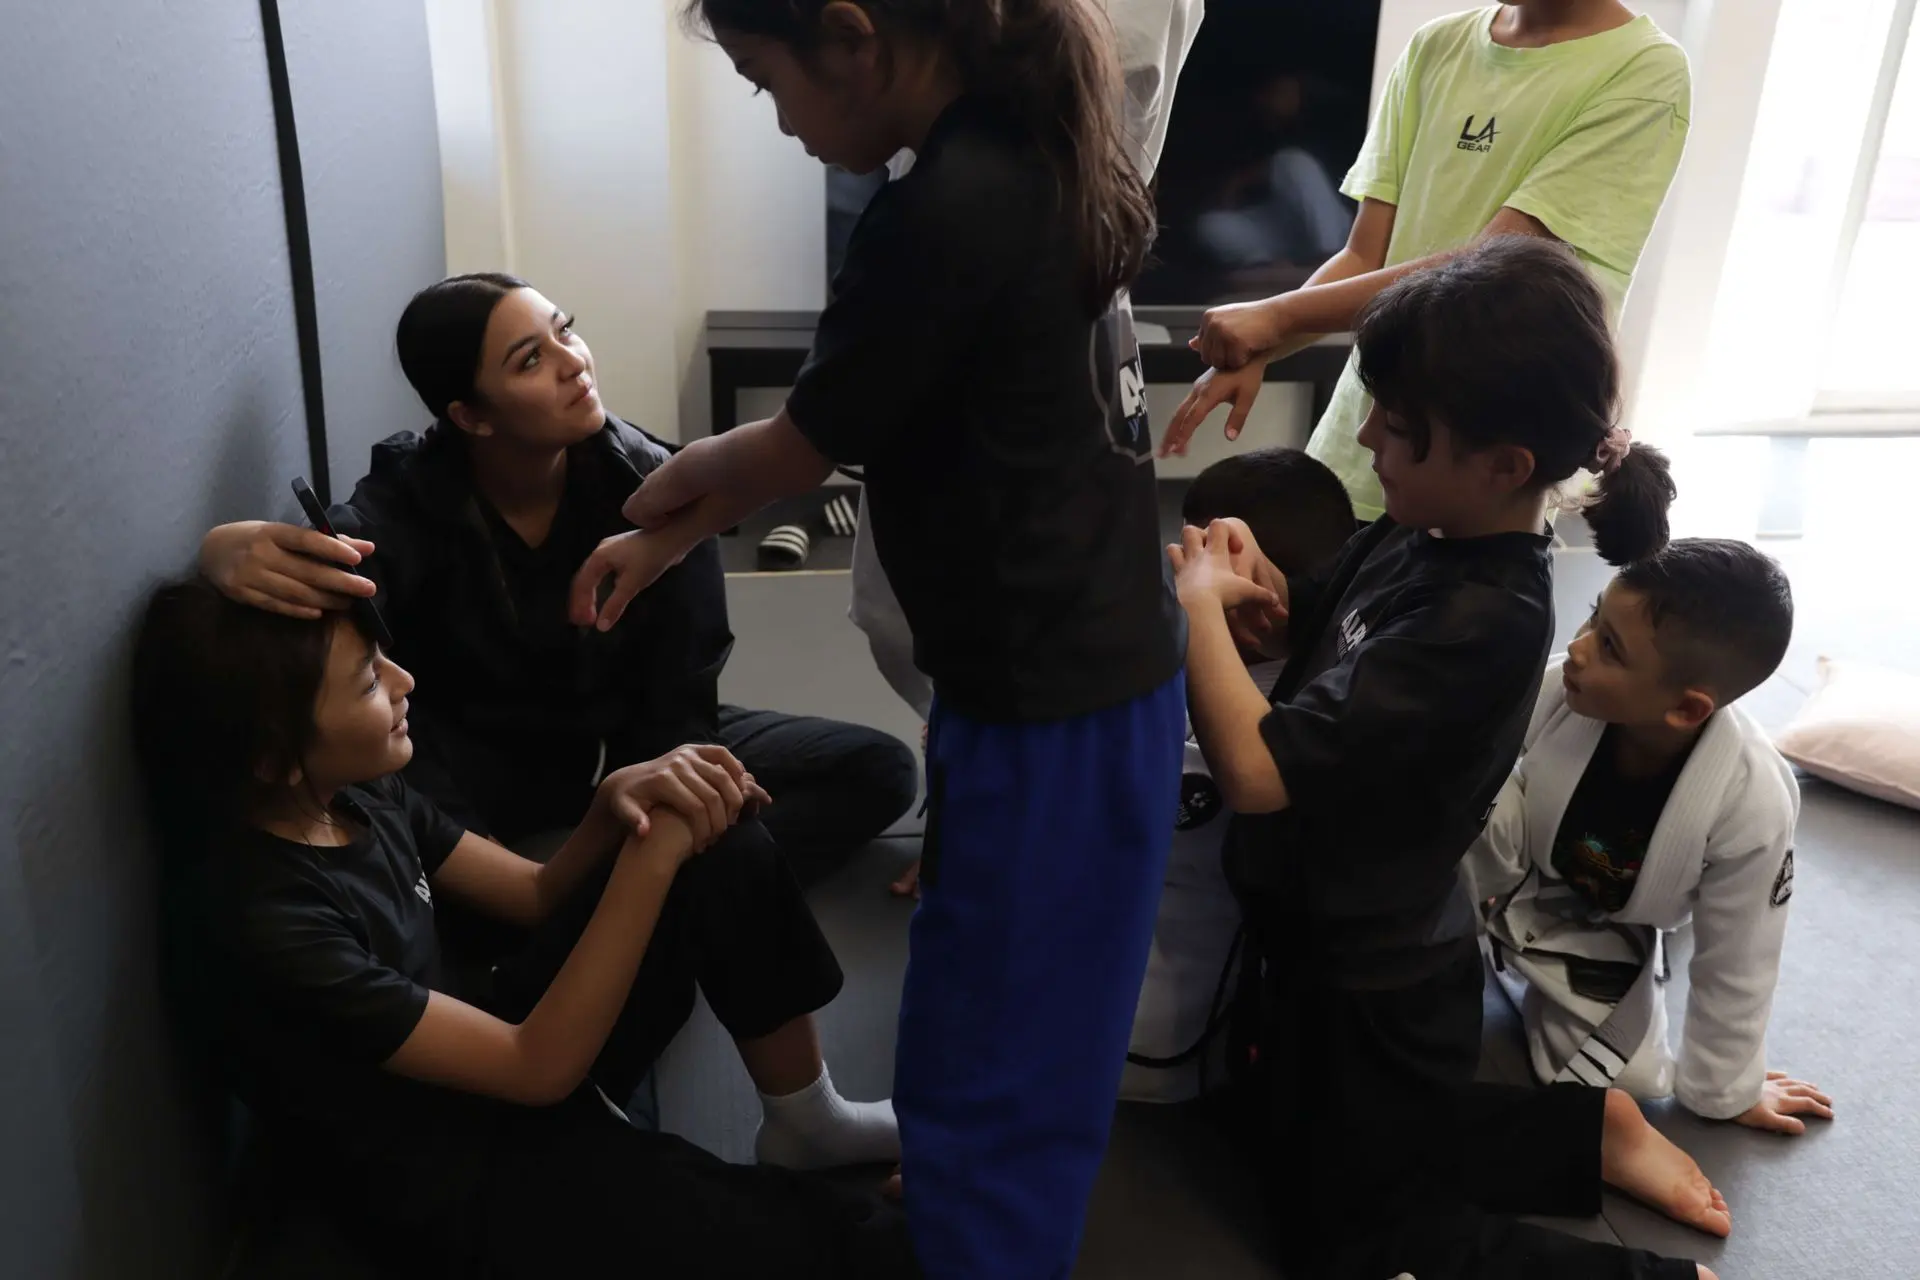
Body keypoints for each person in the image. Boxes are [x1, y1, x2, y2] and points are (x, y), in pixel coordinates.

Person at [570, 3, 1188, 1275]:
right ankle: (956, 1191)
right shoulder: (1033, 151)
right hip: (1050, 677)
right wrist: (674, 538)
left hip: (1059, 699)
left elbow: (796, 440)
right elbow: (854, 420)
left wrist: (647, 495)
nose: (782, 120)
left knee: (1019, 1022)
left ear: (853, 36)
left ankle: (981, 1241)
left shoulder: (948, 208)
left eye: (765, 80)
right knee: (976, 984)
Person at [1172, 235, 1725, 1279]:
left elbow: (1255, 771)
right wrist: (1258, 601)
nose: (1372, 435)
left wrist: (1195, 605)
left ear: (1503, 467)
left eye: (1403, 428)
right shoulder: (1420, 526)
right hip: (1316, 946)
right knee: (1274, 1133)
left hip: (1375, 984)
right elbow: (1327, 636)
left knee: (1353, 1242)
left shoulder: (1484, 615)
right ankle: (1579, 1133)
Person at [132, 580, 913, 1278]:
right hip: (464, 1180)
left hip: (507, 1057)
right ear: (274, 757)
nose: (404, 684)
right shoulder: (264, 919)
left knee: (718, 844)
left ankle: (808, 1122)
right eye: (370, 681)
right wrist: (652, 857)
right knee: (840, 1241)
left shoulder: (354, 794)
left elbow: (534, 896)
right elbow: (536, 1068)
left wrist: (617, 806)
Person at [197, 273, 917, 887]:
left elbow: (680, 703)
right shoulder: (412, 500)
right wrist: (226, 548)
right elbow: (327, 573)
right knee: (398, 830)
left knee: (875, 771)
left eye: (566, 333)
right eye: (530, 360)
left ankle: (646, 897)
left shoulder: (653, 487)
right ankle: (617, 899)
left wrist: (661, 801)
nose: (574, 363)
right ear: (470, 416)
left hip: (628, 744)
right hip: (477, 769)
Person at [1159, 0, 1692, 525]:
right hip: (1357, 446)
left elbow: (1489, 274)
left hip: (1475, 476)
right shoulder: (1436, 45)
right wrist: (1261, 344)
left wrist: (1275, 317)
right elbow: (1362, 255)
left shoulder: (1644, 70)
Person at [1465, 539, 1837, 1135]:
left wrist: (1728, 1088)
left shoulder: (1754, 802)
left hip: (1614, 921)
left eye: (1610, 646)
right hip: (1519, 869)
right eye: (1594, 616)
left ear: (1687, 710)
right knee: (1472, 791)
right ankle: (1438, 930)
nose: (1580, 648)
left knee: (1630, 1083)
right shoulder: (1563, 686)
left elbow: (1741, 955)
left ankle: (1523, 963)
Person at [1122, 447, 1355, 1104]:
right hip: (1227, 1041)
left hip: (1138, 1048)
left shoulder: (1174, 674)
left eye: (1197, 555)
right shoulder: (1338, 684)